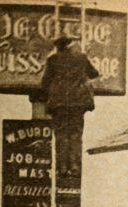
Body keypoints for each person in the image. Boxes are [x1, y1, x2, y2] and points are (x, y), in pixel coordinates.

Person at [39, 36, 99, 178]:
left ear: (58, 47)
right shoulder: (81, 58)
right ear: (69, 45)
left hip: (59, 104)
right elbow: (94, 74)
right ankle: (75, 167)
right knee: (76, 135)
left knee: (61, 136)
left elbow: (45, 82)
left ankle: (62, 168)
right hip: (78, 103)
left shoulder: (52, 60)